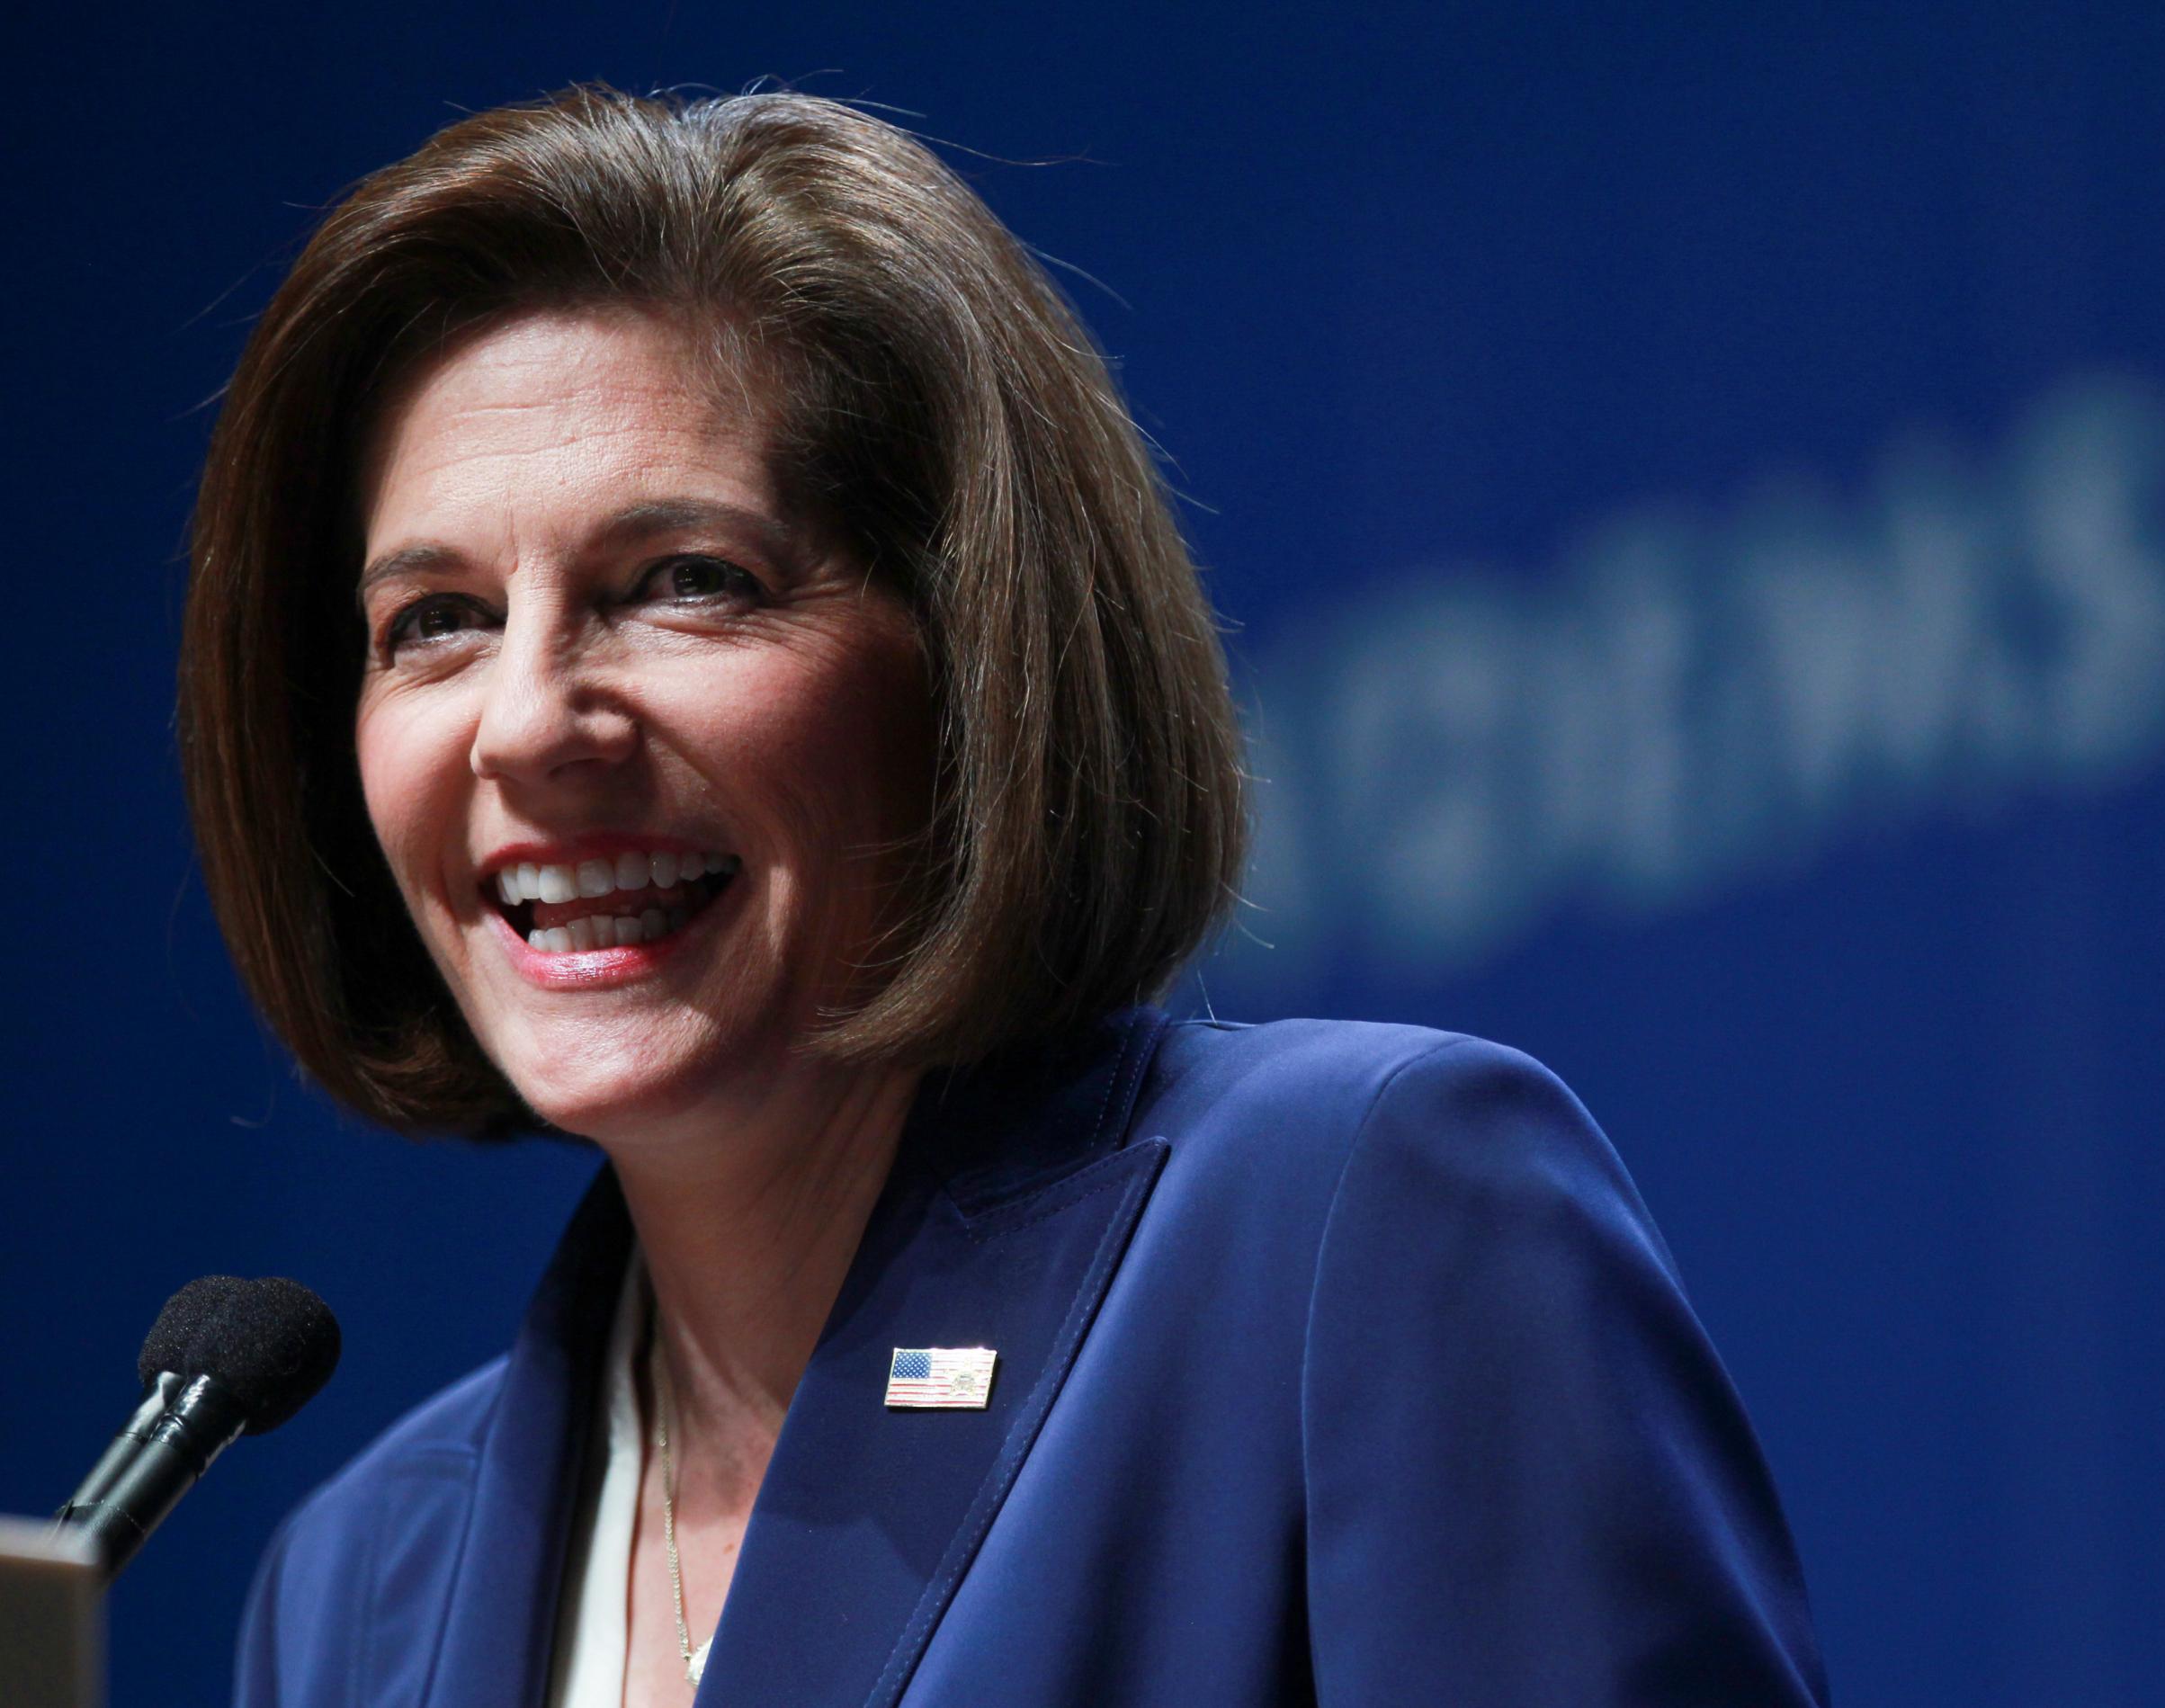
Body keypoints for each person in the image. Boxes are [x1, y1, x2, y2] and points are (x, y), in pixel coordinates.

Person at [182, 85, 1830, 1707]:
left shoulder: (1350, 1226)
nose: (531, 722)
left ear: (967, 662)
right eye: (436, 621)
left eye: (686, 583)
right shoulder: (359, 1586)